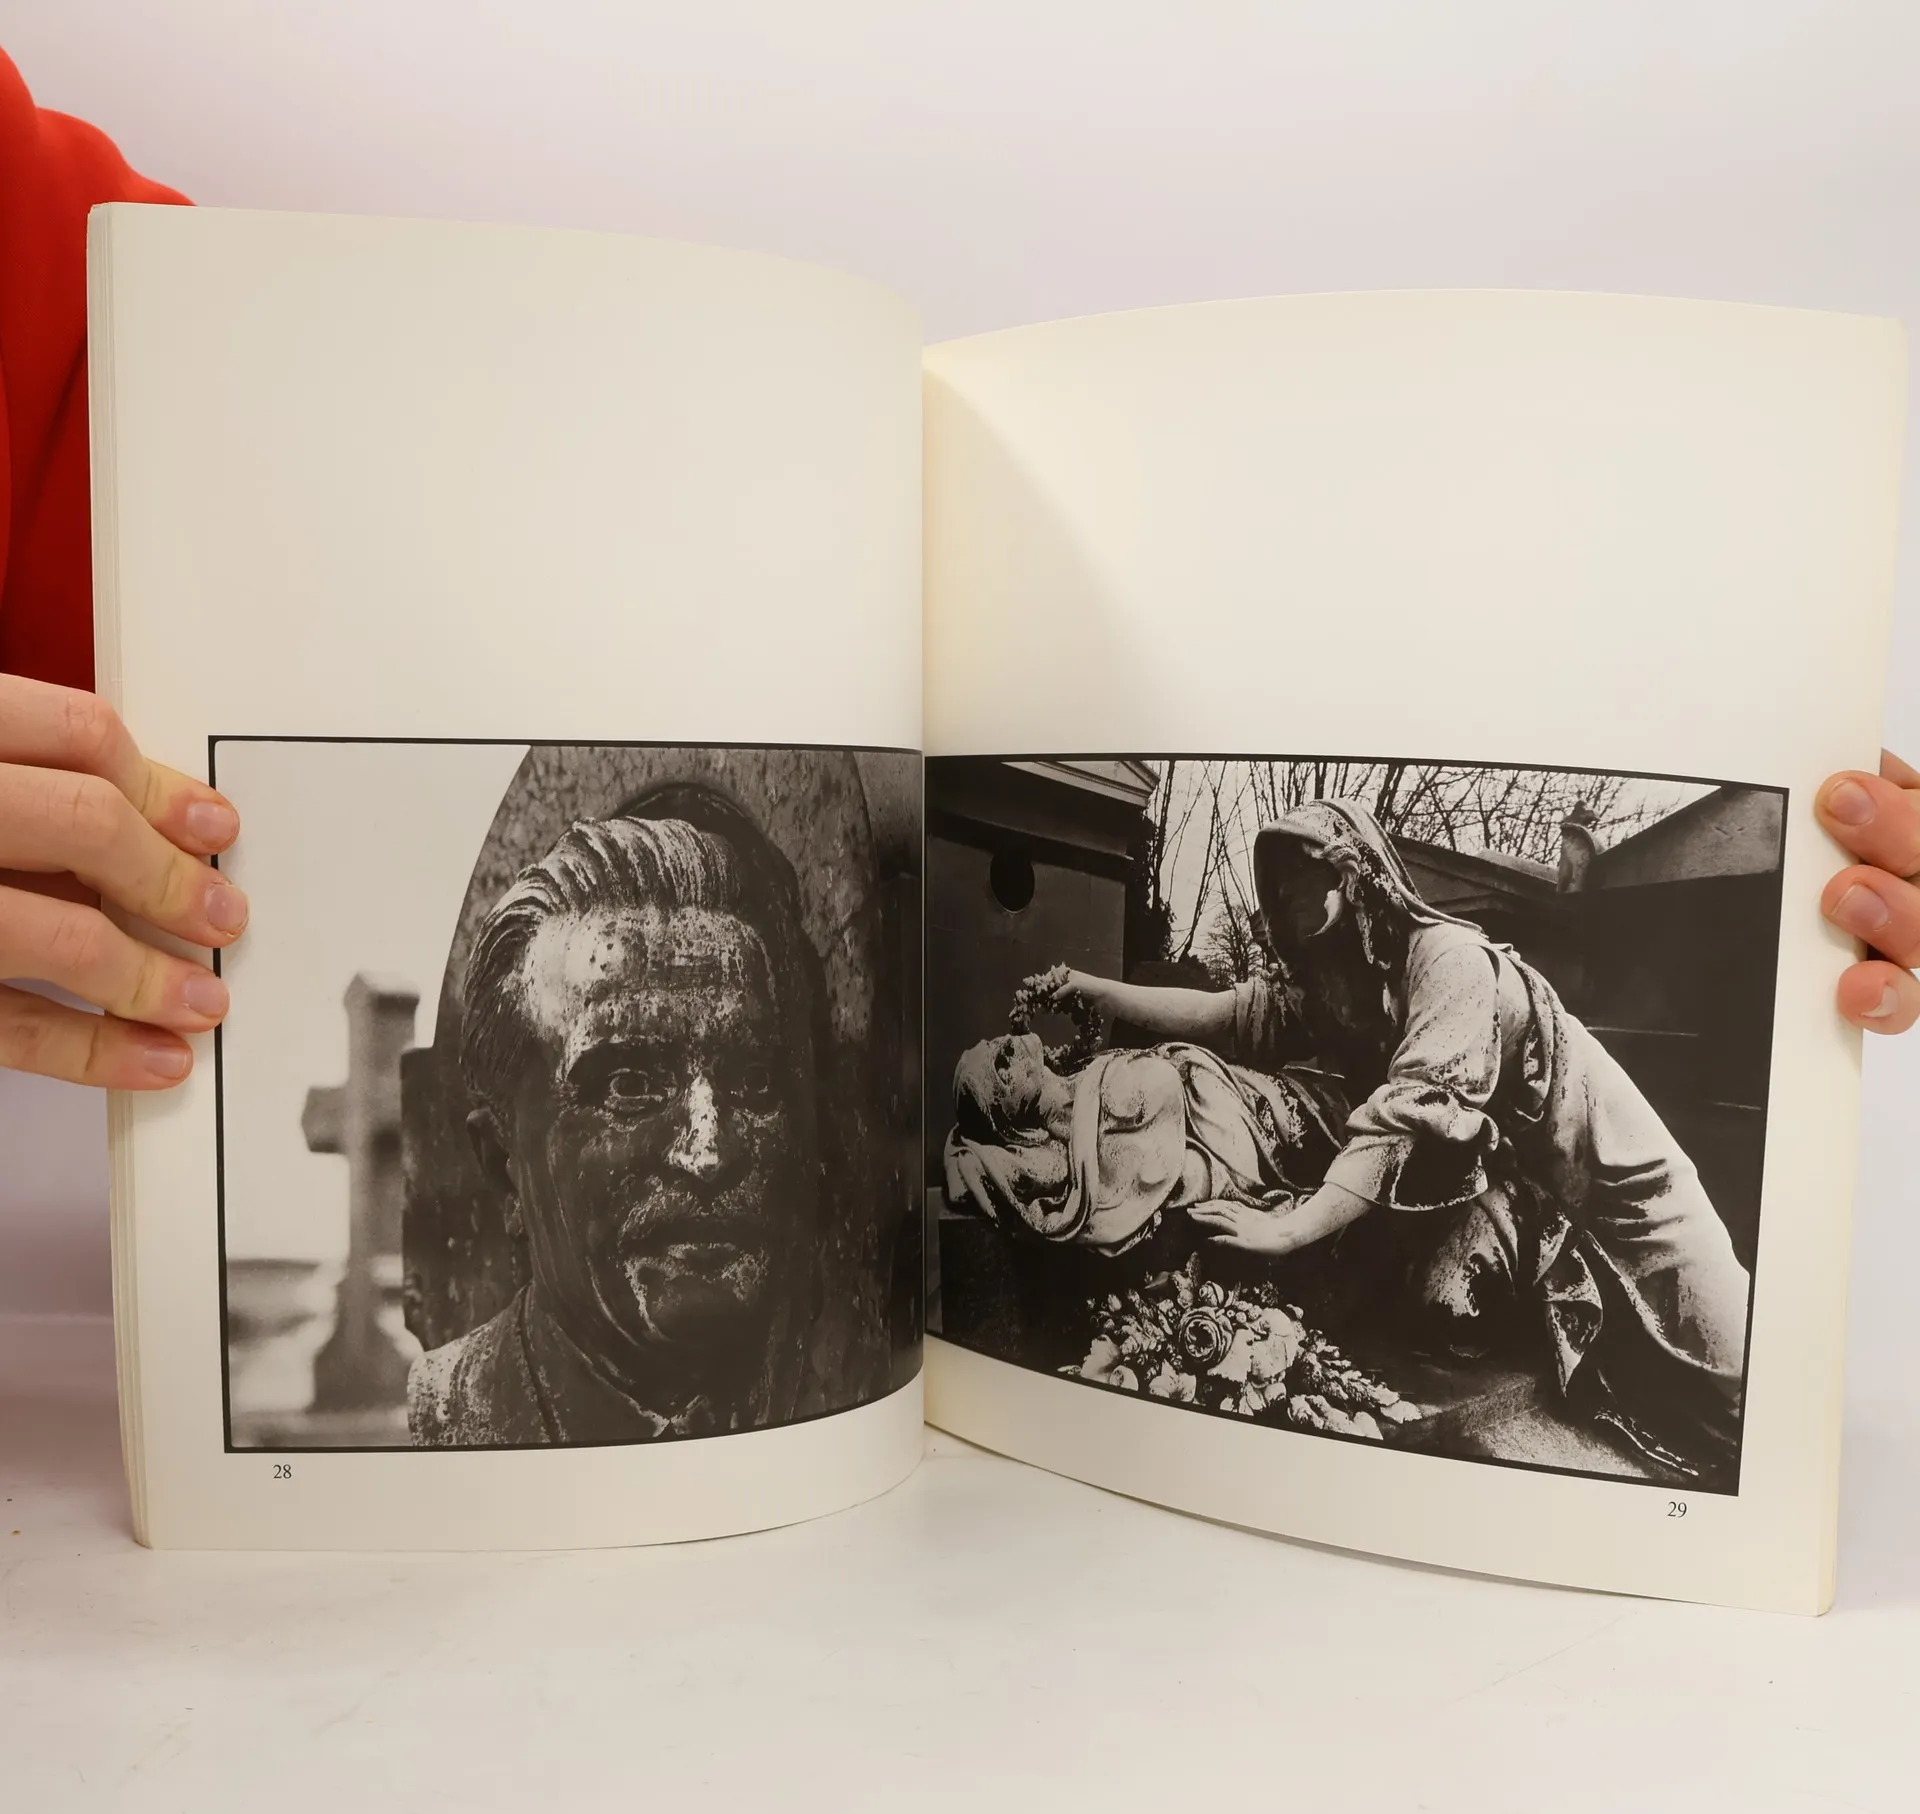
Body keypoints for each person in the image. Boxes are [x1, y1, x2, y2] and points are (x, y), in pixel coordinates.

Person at [0, 42, 1913, 1099]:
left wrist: (1806, 787)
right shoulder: (1335, 962)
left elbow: (285, 546)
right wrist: (1104, 998)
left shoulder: (1443, 969)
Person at [1046, 799, 1769, 1481]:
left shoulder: (1450, 961)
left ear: (1351, 875)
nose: (1284, 904)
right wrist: (1100, 991)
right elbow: (1229, 1017)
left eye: (1299, 883)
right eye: (1277, 891)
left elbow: (1408, 1114)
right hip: (1526, 1198)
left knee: (1732, 1380)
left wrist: (1290, 1229)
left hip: (1622, 1187)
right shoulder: (1345, 989)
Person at [408, 807, 827, 1445]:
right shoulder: (428, 1422)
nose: (709, 1151)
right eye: (629, 1086)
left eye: (753, 1082)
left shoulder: (831, 1397)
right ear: (503, 1169)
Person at [942, 1026, 1346, 1253]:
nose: (1004, 1046)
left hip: (1273, 1096)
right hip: (1283, 1138)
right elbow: (1171, 1150)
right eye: (999, 1068)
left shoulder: (1082, 1084)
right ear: (1012, 1123)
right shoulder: (1089, 1136)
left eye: (992, 1045)